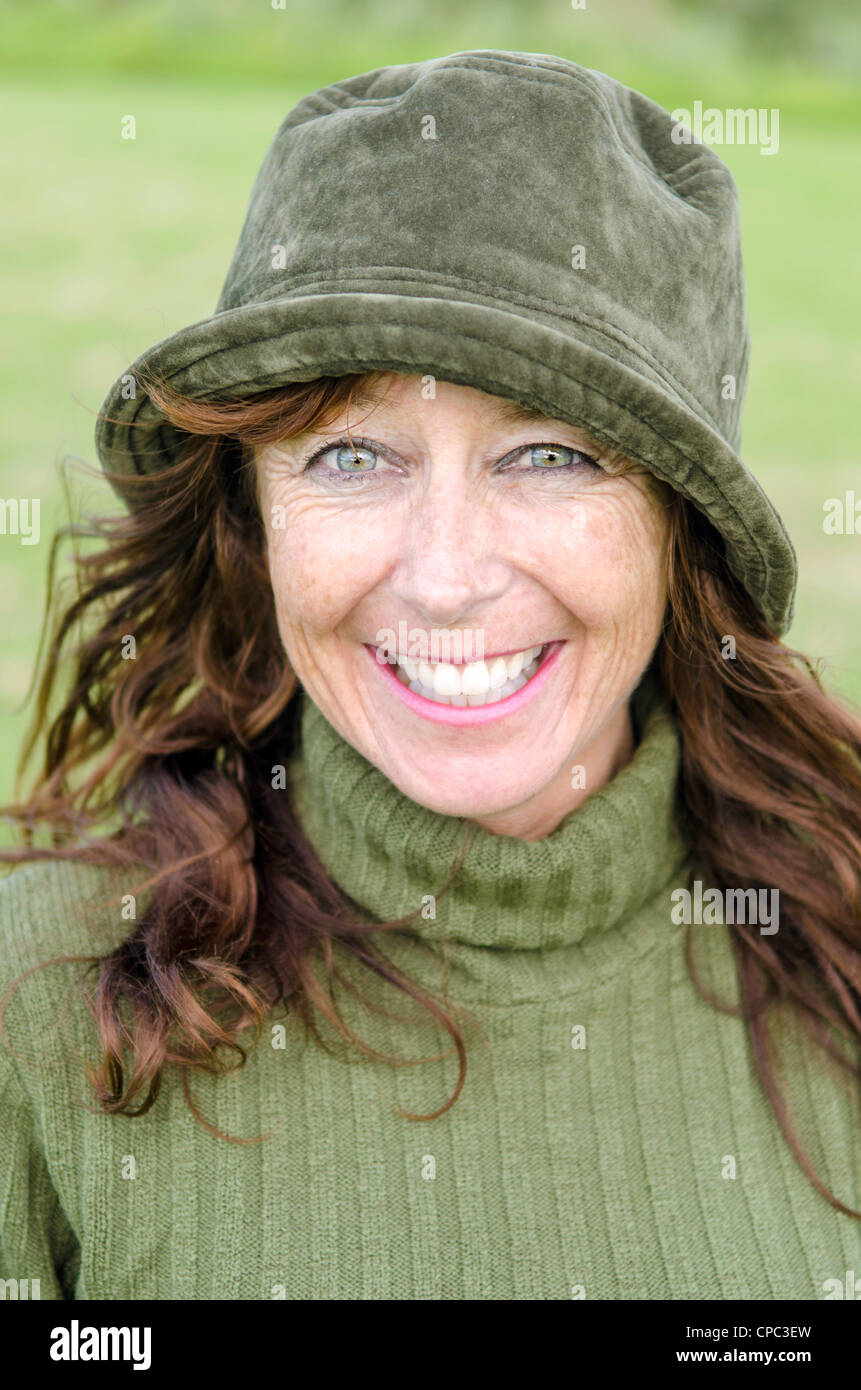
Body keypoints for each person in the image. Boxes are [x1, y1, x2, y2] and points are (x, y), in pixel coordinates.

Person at [1, 49, 859, 1301]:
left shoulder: (833, 941)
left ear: (684, 531)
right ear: (252, 518)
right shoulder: (38, 994)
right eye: (351, 456)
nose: (448, 576)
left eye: (554, 455)